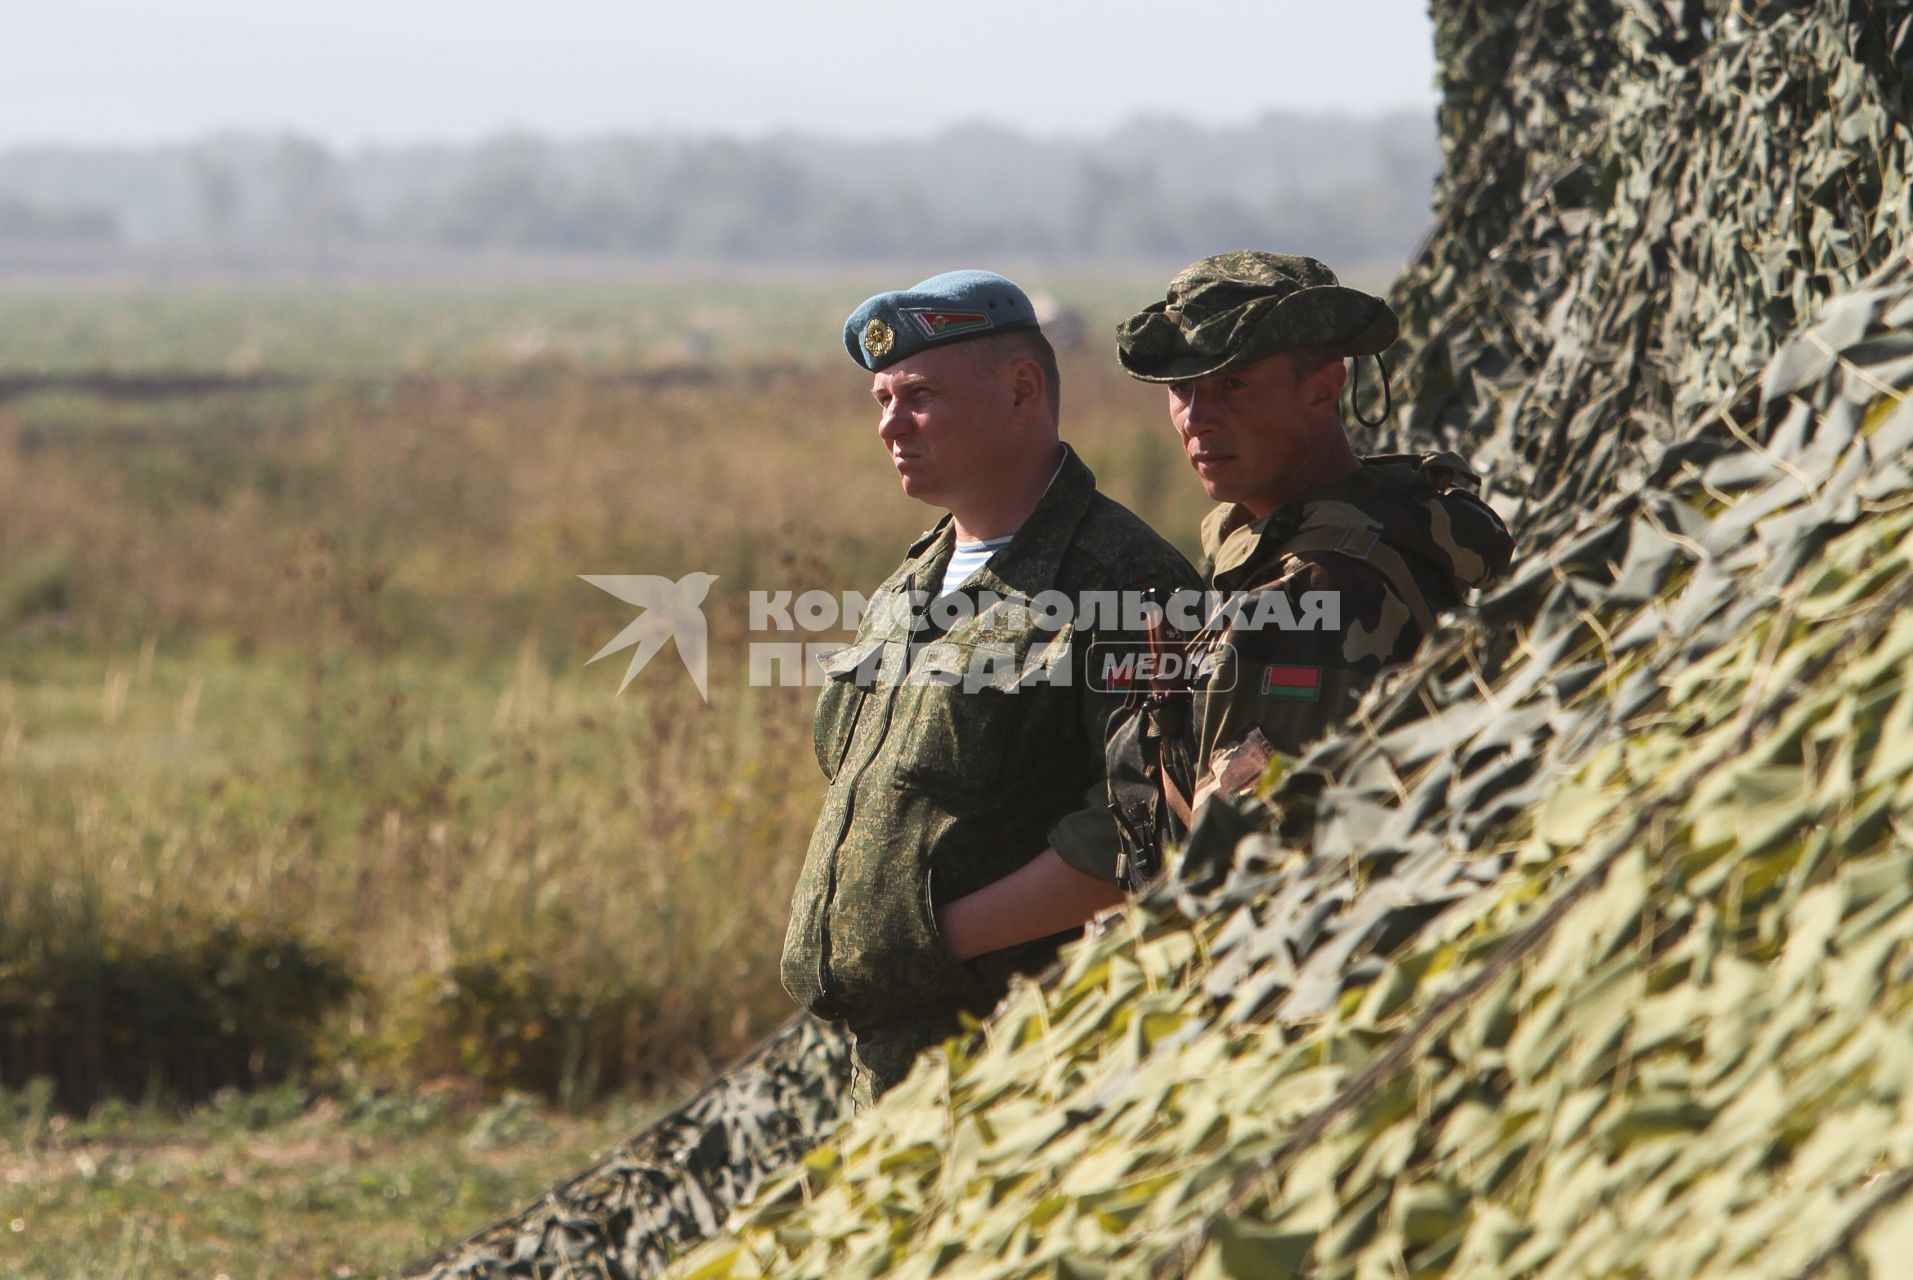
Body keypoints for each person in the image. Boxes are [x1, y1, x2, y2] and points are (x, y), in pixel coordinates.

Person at [779, 270, 1200, 1105]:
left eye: (921, 394)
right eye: (881, 400)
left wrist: (924, 941)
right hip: (892, 1060)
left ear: (1020, 389)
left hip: (1023, 1066)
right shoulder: (912, 583)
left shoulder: (1120, 579)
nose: (892, 424)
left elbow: (1146, 828)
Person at [1115, 251, 1515, 812]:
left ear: (1323, 390)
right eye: (1182, 389)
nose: (1195, 418)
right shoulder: (1379, 520)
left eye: (1233, 384)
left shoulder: (1314, 594)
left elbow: (1240, 862)